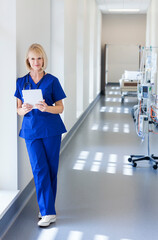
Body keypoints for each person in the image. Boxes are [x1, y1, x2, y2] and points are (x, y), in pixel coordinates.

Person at [14, 43, 67, 227]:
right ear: (28, 61)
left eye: (39, 58)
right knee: (38, 168)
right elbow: (18, 110)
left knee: (51, 169)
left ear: (43, 59)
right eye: (32, 58)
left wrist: (47, 108)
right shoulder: (21, 82)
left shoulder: (52, 80)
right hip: (31, 131)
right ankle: (47, 211)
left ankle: (47, 209)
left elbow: (60, 107)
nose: (36, 62)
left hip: (51, 130)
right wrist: (23, 108)